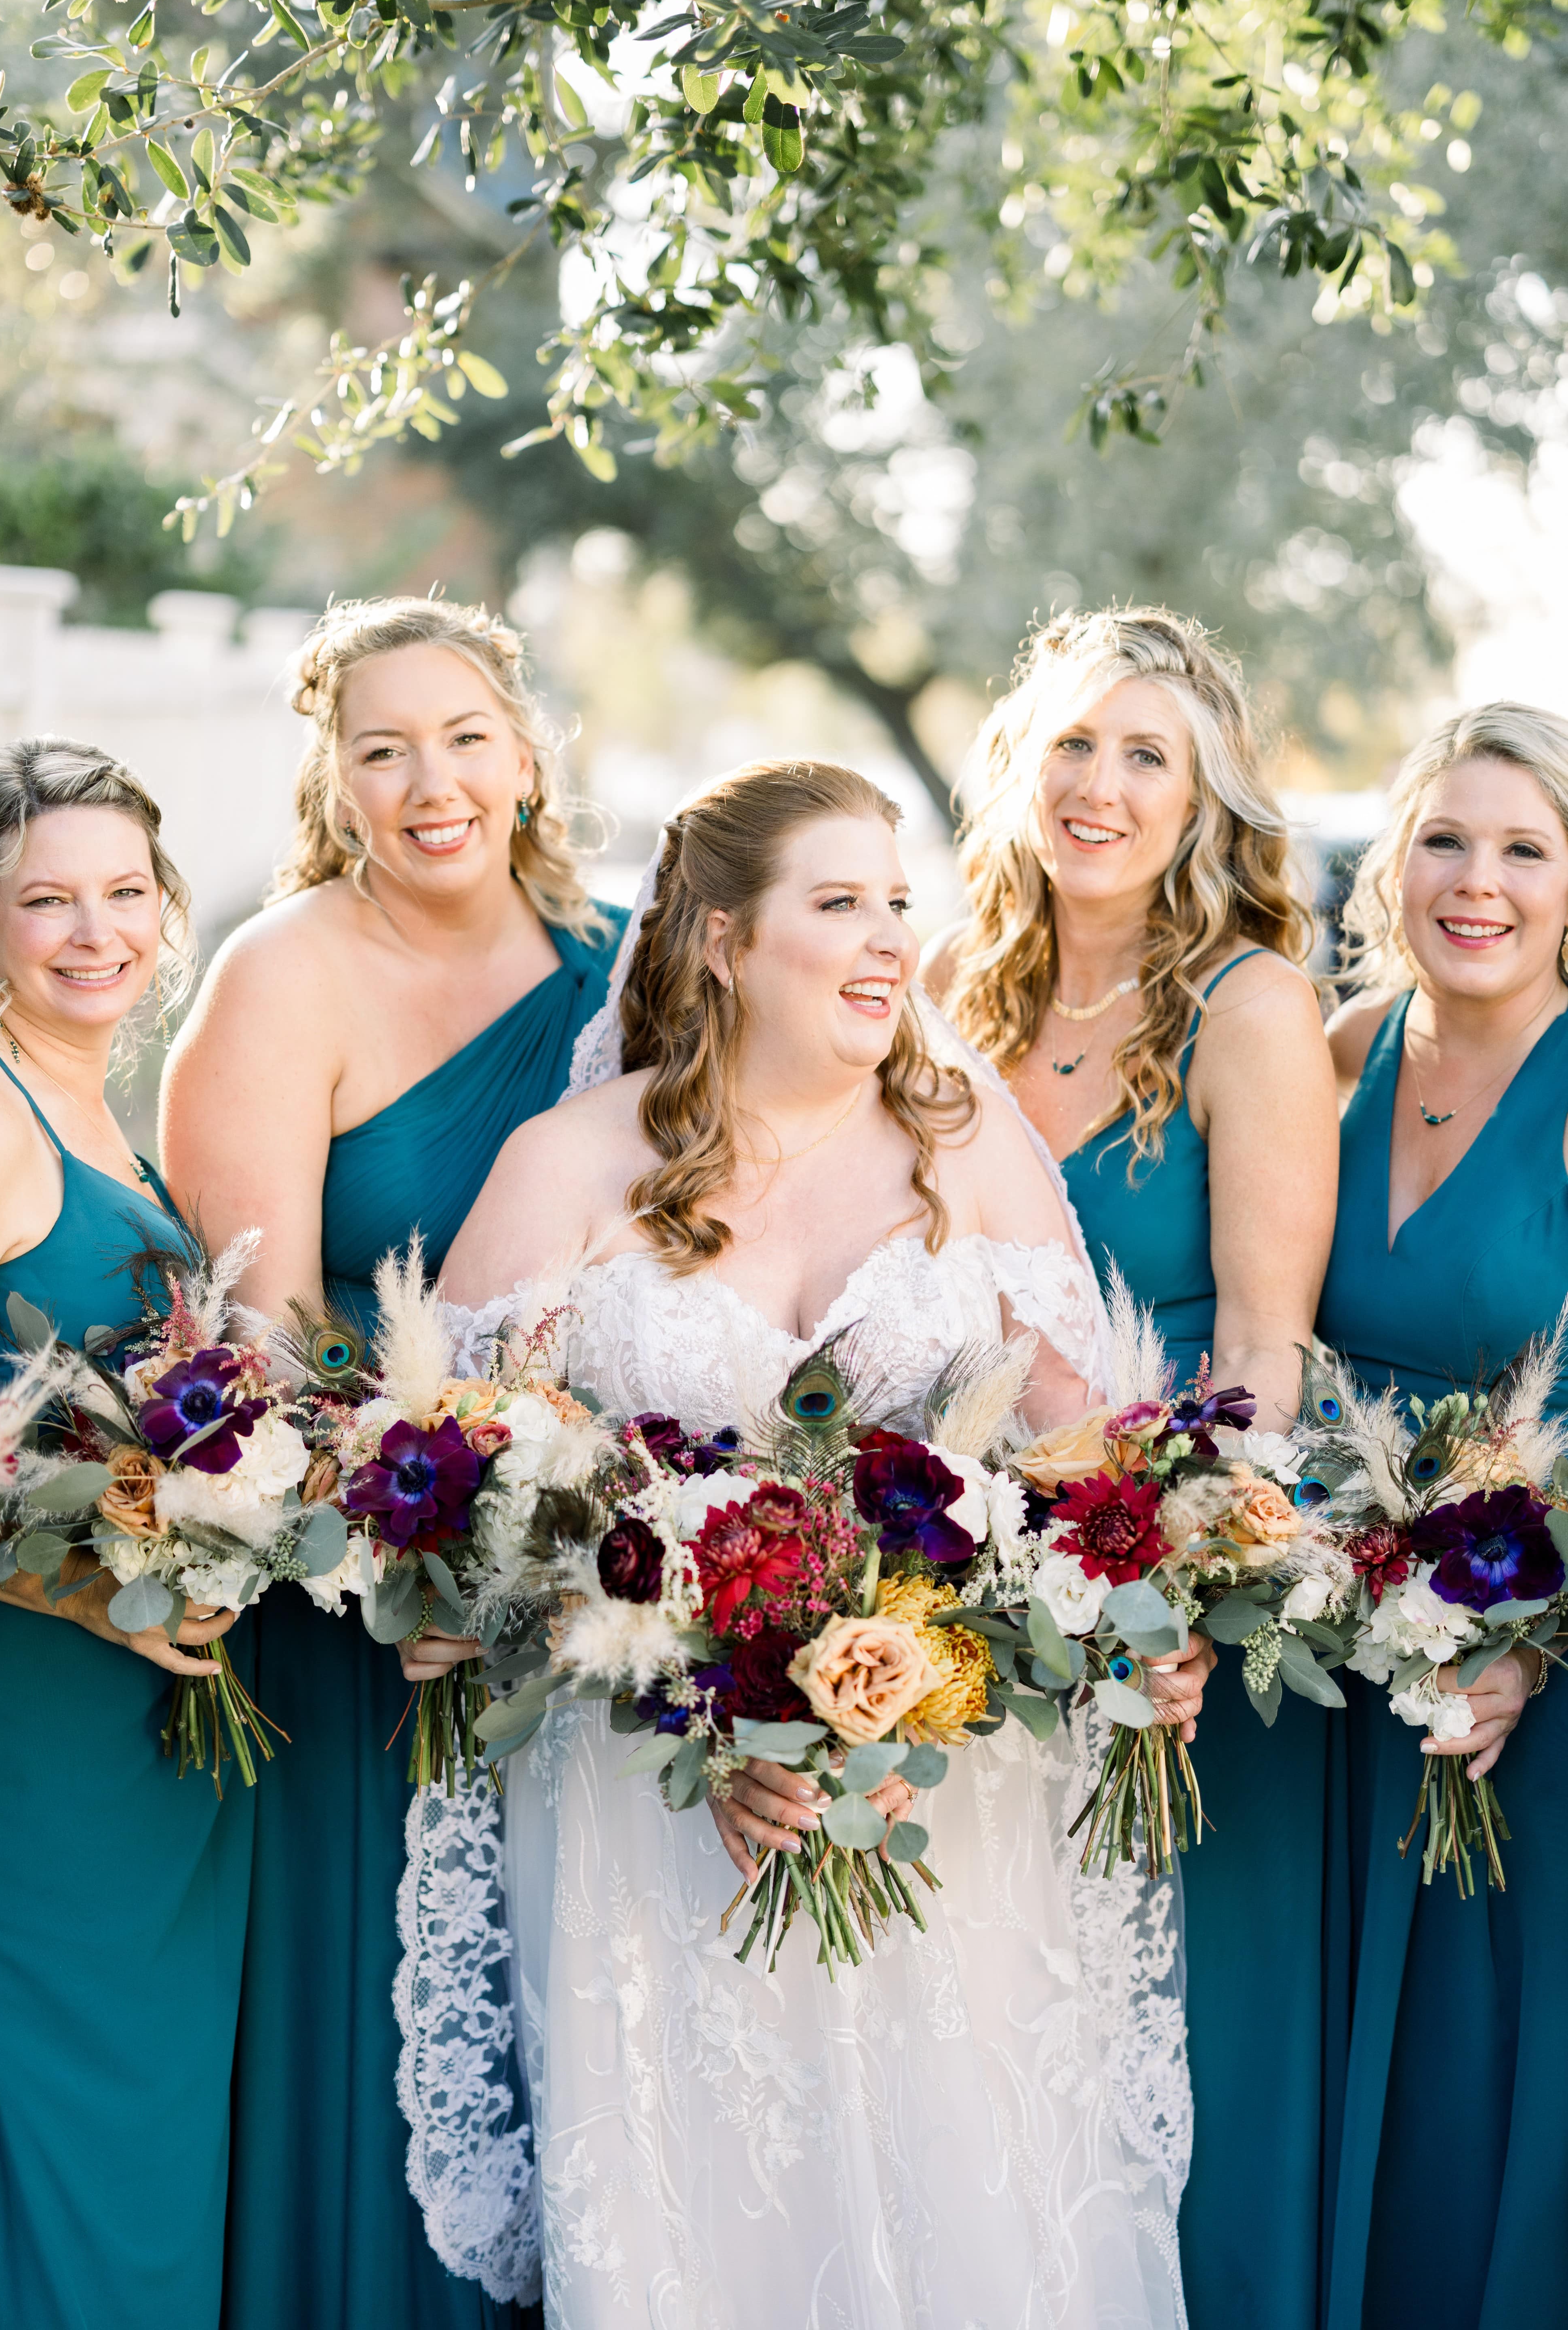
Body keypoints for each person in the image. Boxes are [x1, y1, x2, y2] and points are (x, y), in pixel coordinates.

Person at [434, 758, 1206, 2330]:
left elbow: (1081, 1459)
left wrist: (1141, 1623)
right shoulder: (570, 1167)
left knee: (965, 2210)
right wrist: (694, 1693)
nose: (886, 945)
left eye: (898, 905)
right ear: (721, 941)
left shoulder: (967, 1135)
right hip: (657, 1818)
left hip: (943, 1794)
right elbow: (458, 1499)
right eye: (838, 905)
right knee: (708, 2234)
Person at [160, 595, 619, 2329]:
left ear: (524, 750)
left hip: (582, 1606)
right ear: (333, 780)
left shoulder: (632, 965)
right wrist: (410, 1547)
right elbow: (249, 1342)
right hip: (361, 1596)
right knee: (380, 2059)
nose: (430, 783)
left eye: (462, 738)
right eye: (381, 750)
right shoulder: (286, 973)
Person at [930, 608, 1341, 2330]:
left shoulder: (1251, 1006)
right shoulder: (947, 983)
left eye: (1144, 756)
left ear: (1202, 802)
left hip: (1146, 1597)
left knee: (1133, 2034)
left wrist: (1169, 1575)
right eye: (1073, 744)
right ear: (1019, 763)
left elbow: (1261, 1349)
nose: (1097, 785)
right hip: (950, 1588)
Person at [0, 740, 251, 2330]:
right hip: (35, 1724)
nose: (94, 932)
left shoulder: (113, 1122)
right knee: (52, 2138)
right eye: (45, 899)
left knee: (134, 2154)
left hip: (151, 1751)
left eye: (126, 892)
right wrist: (71, 1588)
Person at [1318, 702, 1568, 2330]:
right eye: (1445, 840)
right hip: (1324, 1630)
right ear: (1392, 861)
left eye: (1525, 851)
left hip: (1515, 1657)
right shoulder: (1337, 1054)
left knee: (1480, 2075)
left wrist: (1531, 1646)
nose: (1476, 883)